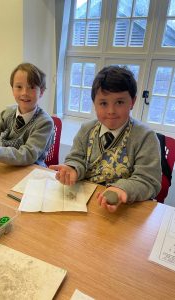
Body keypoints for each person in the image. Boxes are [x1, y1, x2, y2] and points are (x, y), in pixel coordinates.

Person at [50, 65, 161, 213]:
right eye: (103, 103)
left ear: (132, 102)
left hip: (126, 210)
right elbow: (77, 158)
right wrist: (73, 168)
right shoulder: (86, 129)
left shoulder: (145, 137)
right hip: (86, 204)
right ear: (94, 104)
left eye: (120, 102)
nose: (111, 111)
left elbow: (149, 181)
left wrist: (121, 190)